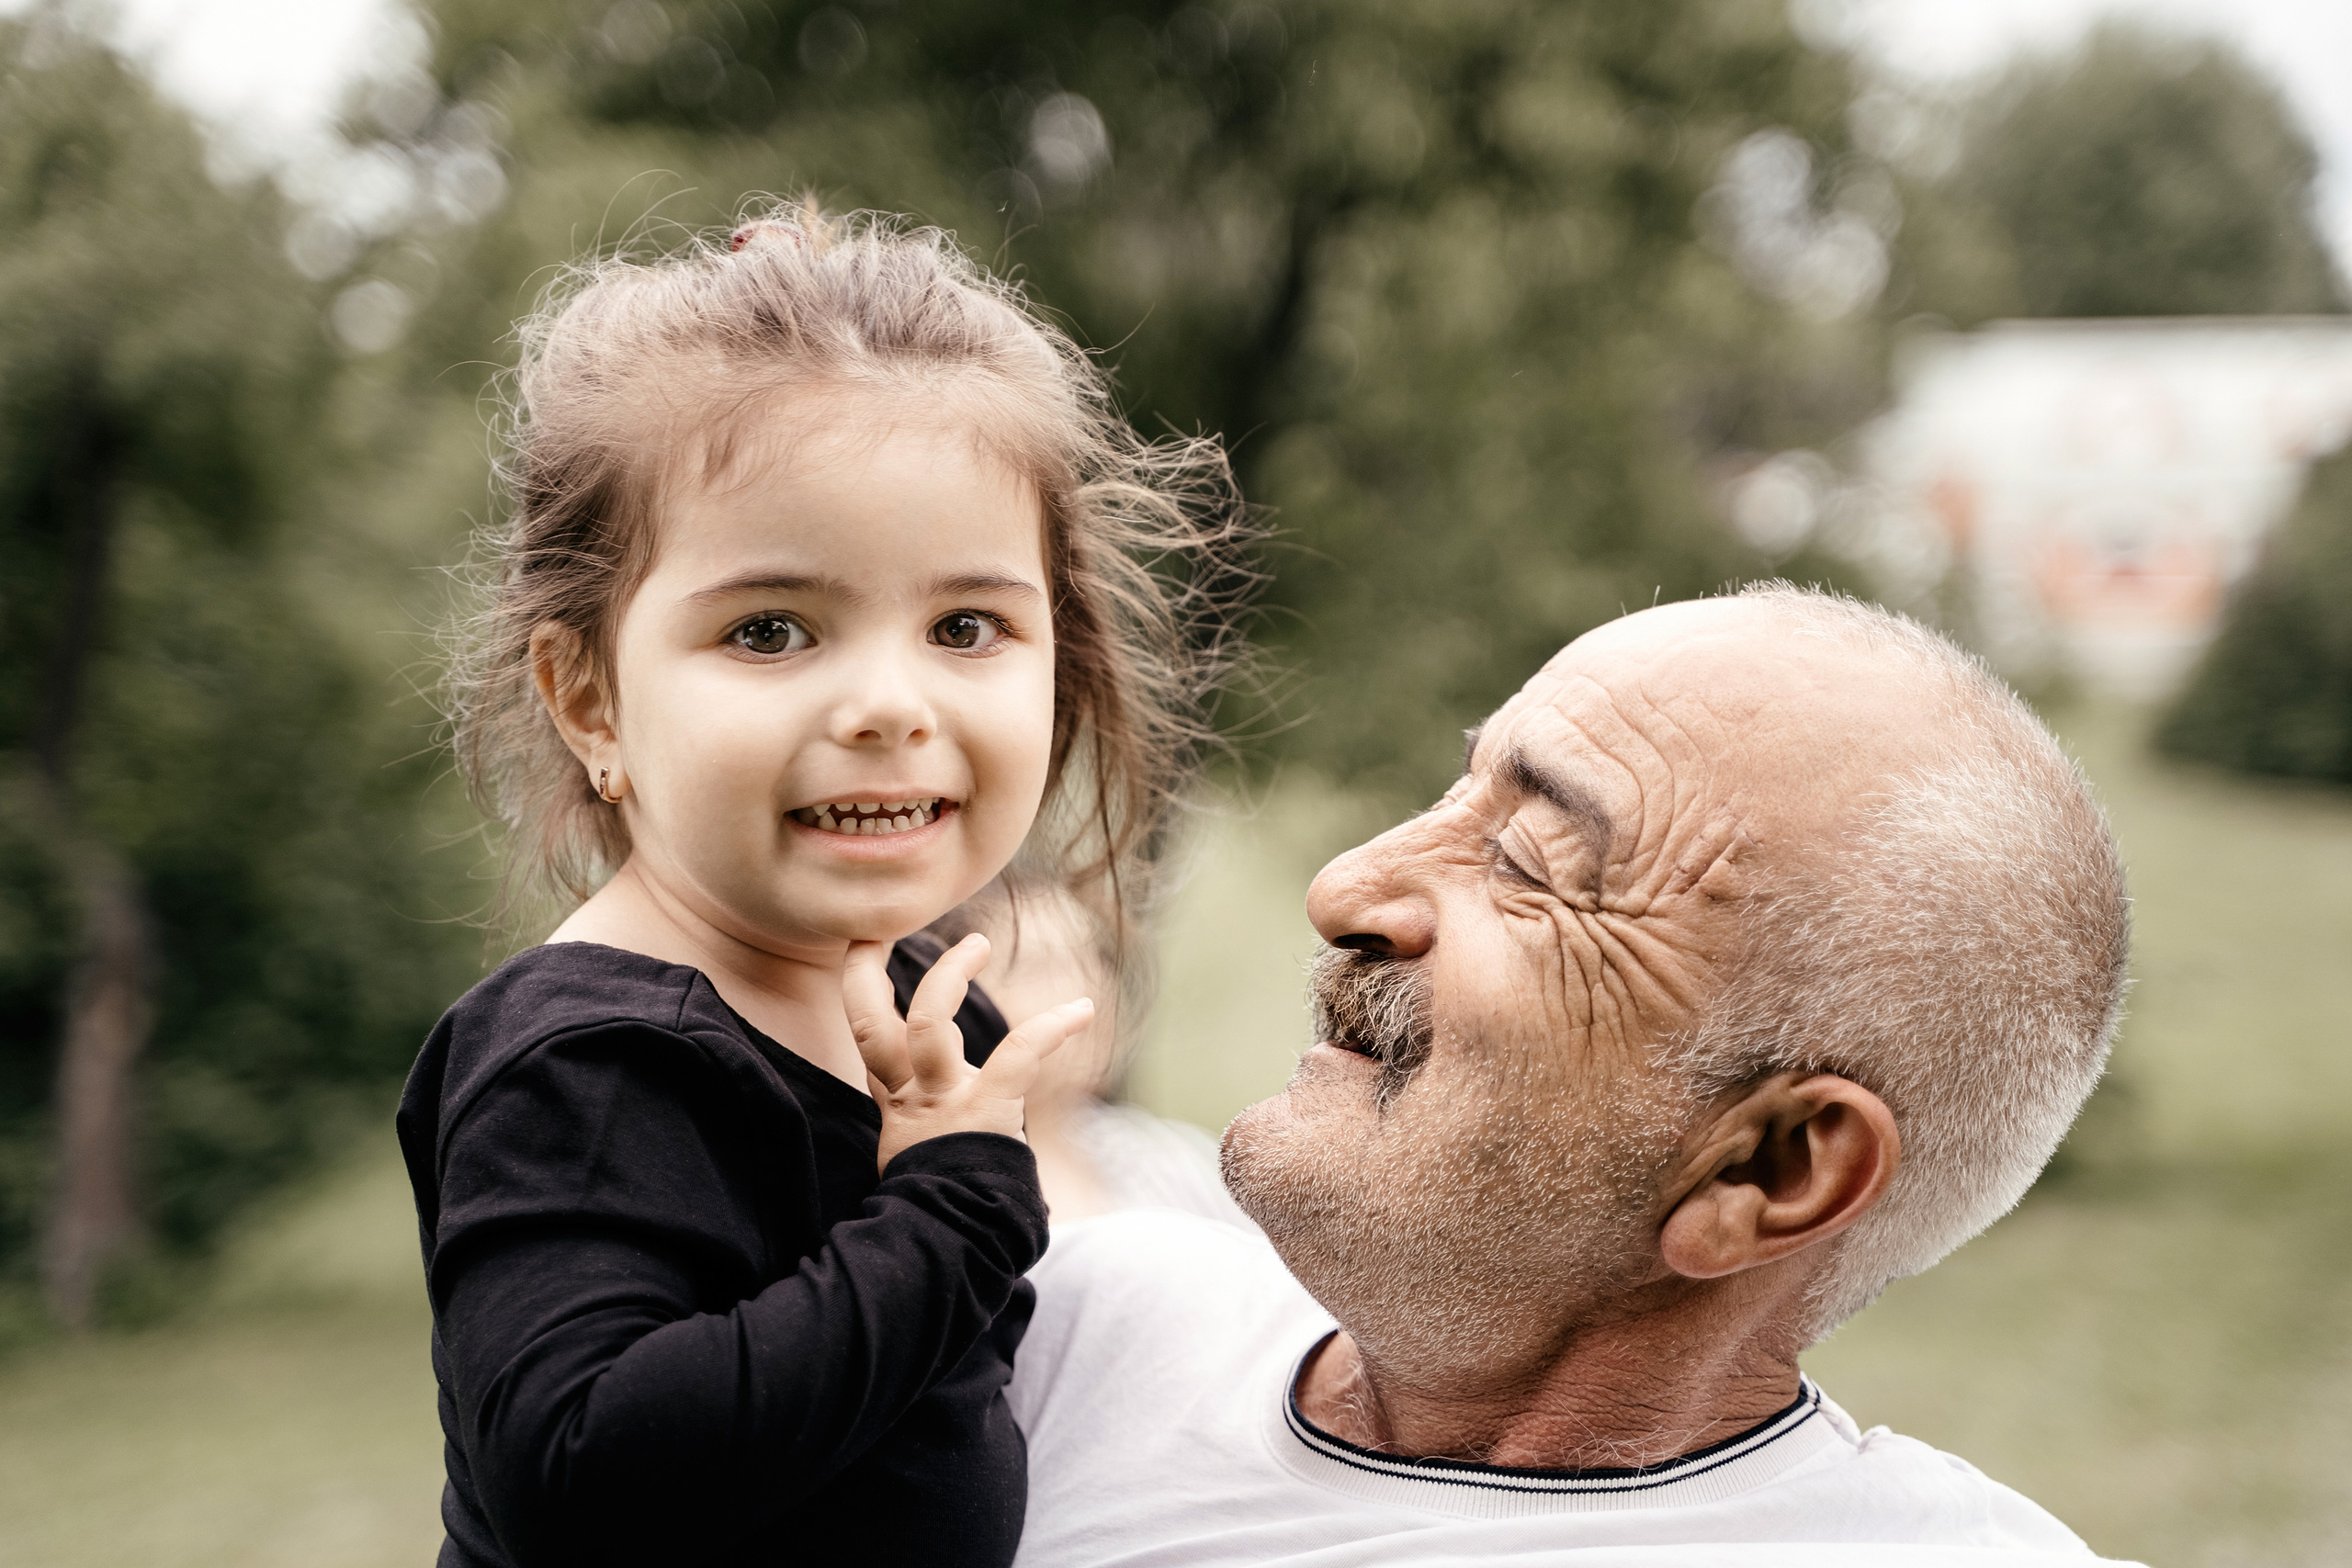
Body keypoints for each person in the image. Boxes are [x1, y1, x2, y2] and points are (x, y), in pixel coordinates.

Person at [395, 205, 1248, 1568]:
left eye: (965, 626)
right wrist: (951, 1208)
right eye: (771, 629)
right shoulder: (592, 1061)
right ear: (590, 697)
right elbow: (578, 1467)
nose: (889, 703)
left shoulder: (912, 1003)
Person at [1009, 584, 2143, 1566]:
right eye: (1455, 791)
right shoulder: (1047, 1332)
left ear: (1767, 1168)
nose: (1346, 888)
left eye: (1527, 862)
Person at [933, 881, 1256, 1229]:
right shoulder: (933, 1197)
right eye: (1039, 967)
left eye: (1094, 959)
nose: (1092, 990)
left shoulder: (1170, 1161)